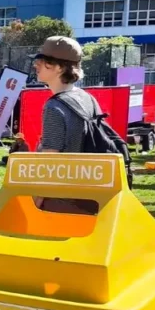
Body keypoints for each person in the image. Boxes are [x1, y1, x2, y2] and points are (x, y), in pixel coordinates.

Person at [34, 36, 102, 214]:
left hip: (61, 199)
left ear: (60, 67)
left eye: (42, 61)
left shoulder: (54, 107)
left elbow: (50, 161)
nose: (36, 64)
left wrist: (37, 198)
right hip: (91, 195)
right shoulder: (88, 98)